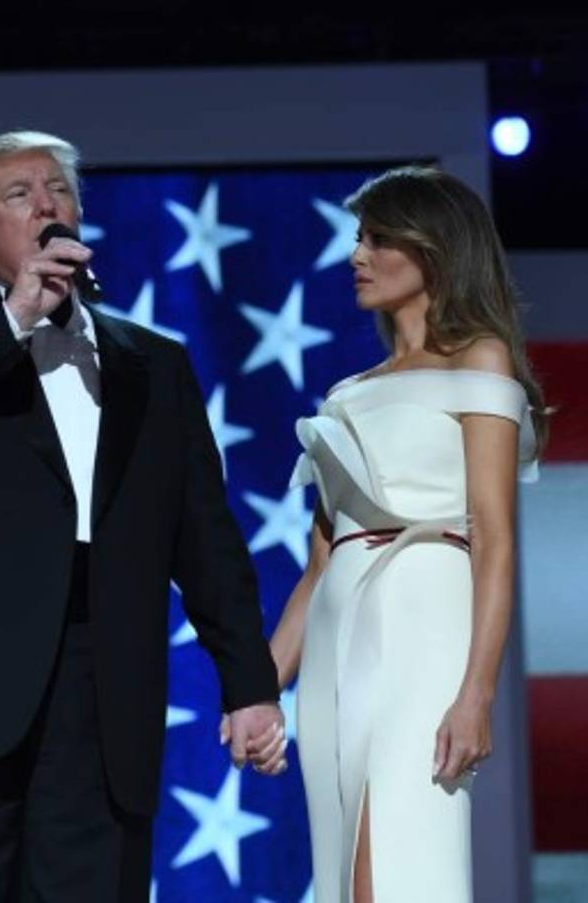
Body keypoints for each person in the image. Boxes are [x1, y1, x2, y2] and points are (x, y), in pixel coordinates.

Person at [0, 129, 286, 902]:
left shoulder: (154, 362)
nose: (47, 204)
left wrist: (248, 685)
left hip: (103, 688)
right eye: (18, 194)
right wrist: (16, 315)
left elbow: (204, 537)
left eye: (58, 190)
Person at [269, 166, 547, 902]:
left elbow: (493, 537)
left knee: (397, 850)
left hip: (425, 620)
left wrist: (476, 694)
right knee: (340, 863)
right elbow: (317, 566)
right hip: (336, 632)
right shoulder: (347, 394)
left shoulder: (480, 361)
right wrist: (257, 687)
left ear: (434, 248)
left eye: (378, 238)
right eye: (358, 238)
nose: (356, 255)